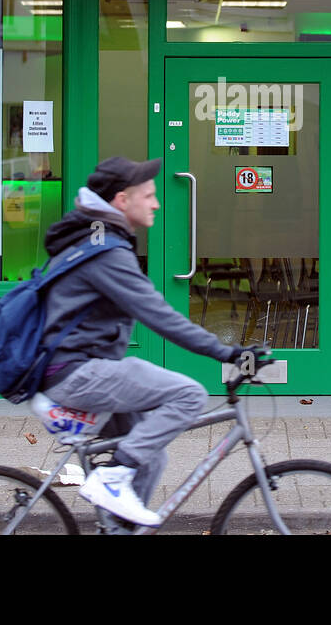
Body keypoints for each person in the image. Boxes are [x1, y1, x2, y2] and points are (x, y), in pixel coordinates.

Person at [37, 155, 251, 526]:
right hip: (77, 371)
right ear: (122, 199)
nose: (156, 202)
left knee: (151, 455)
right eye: (149, 195)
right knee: (190, 395)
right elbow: (158, 314)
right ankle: (112, 476)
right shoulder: (105, 251)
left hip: (78, 367)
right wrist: (228, 352)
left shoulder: (98, 238)